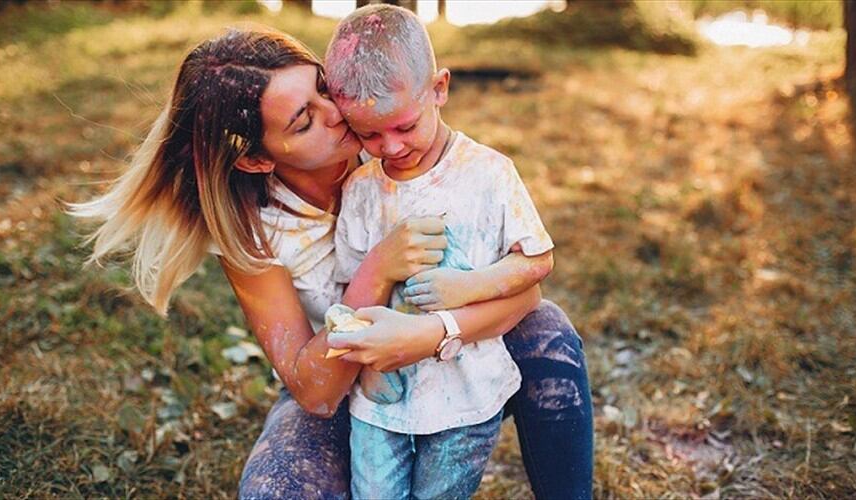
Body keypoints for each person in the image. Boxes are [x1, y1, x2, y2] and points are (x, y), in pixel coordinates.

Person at [68, 26, 593, 500]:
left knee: (546, 331)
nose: (338, 113)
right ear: (257, 158)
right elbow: (315, 391)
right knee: (275, 491)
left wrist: (432, 333)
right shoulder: (252, 233)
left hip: (460, 356)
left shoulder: (390, 140)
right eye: (304, 121)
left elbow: (526, 292)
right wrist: (375, 270)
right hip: (350, 390)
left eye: (323, 89)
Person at [322, 5, 559, 499]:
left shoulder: (488, 174)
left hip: (463, 396)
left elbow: (537, 260)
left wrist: (468, 286)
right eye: (368, 134)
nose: (389, 147)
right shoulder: (362, 188)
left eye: (405, 126)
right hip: (379, 401)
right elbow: (350, 284)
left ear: (439, 89)